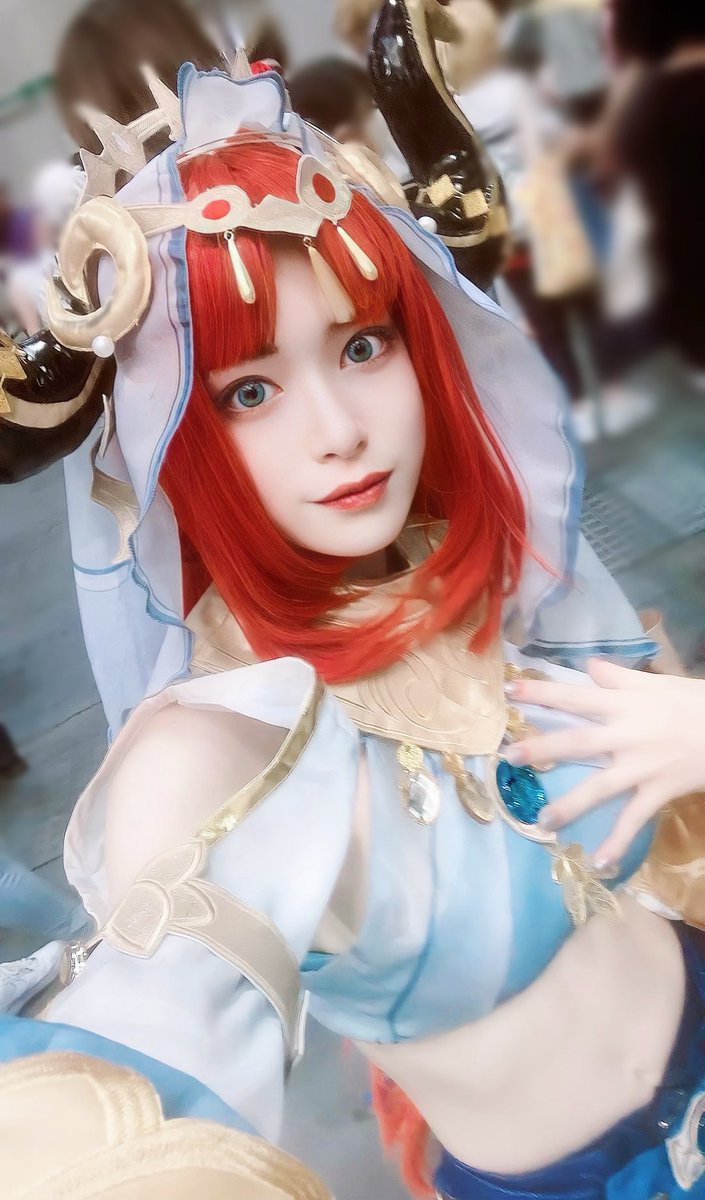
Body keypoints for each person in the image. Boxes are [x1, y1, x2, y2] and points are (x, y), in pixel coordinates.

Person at [2, 57, 705, 1200]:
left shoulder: (505, 570)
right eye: (249, 391)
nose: (339, 429)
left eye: (362, 344)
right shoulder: (210, 754)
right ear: (170, 434)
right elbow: (123, 1120)